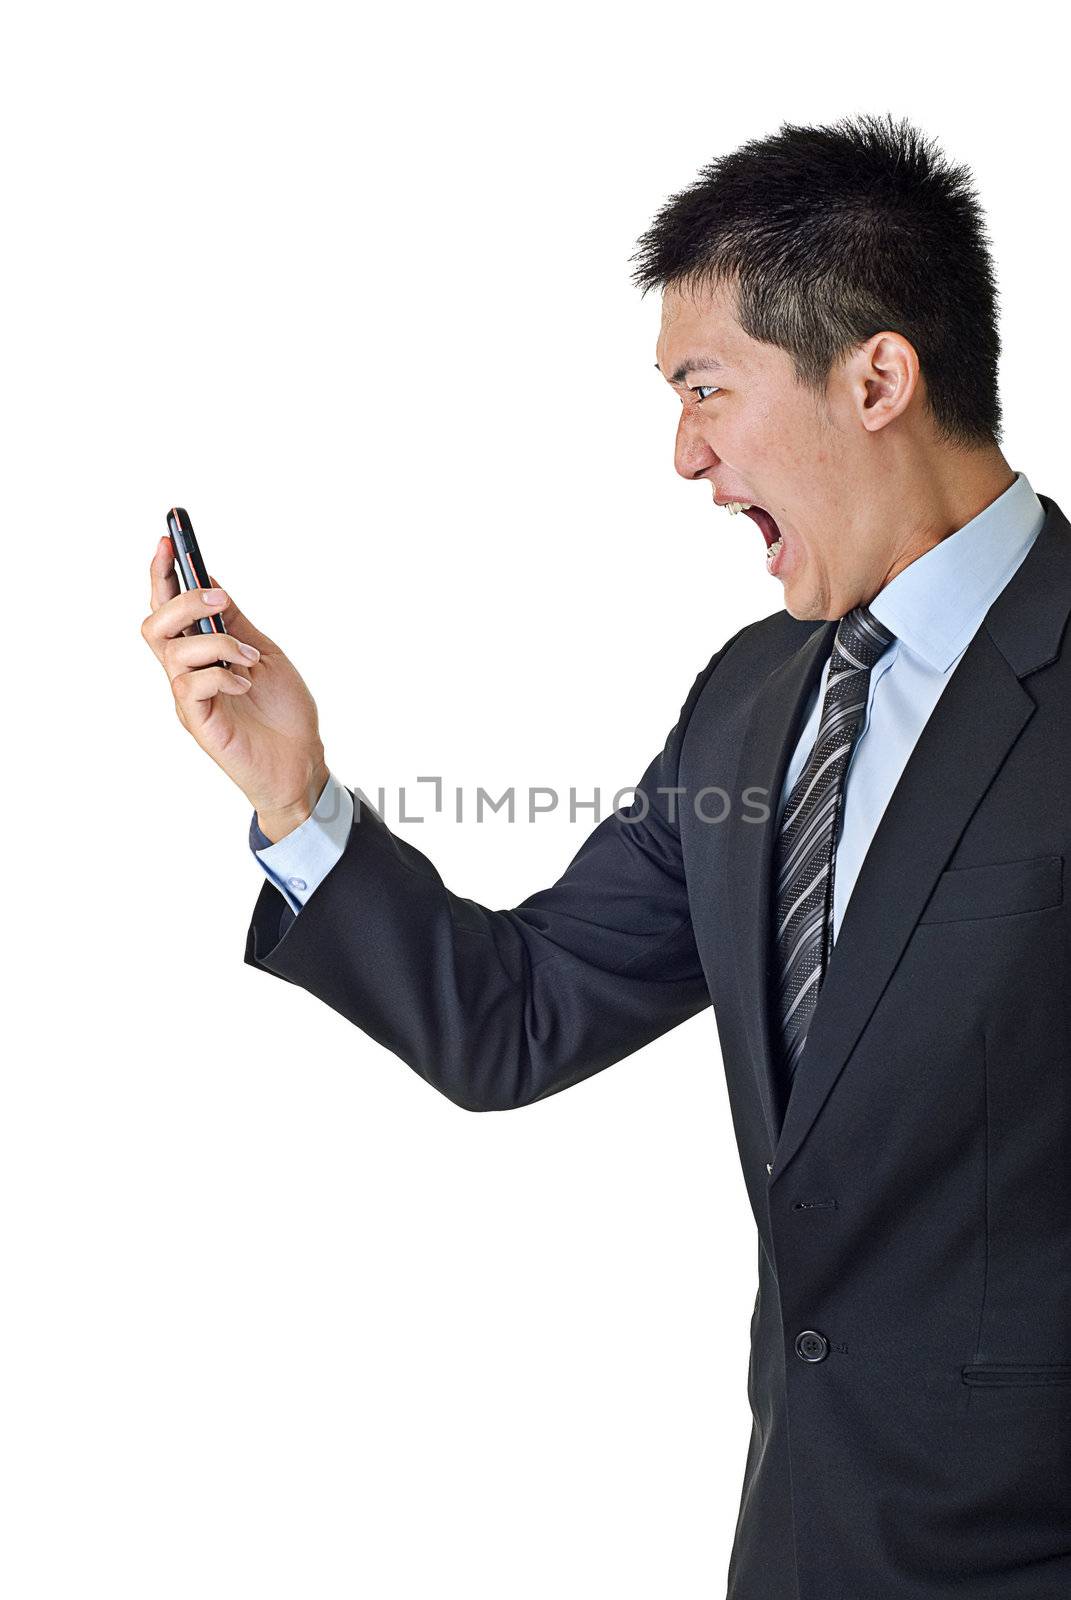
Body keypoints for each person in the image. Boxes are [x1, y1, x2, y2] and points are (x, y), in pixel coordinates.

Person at [141, 112, 1071, 1599]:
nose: (684, 455)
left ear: (878, 377)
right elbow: (522, 1010)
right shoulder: (754, 702)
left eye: (707, 391)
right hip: (799, 1550)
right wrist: (296, 797)